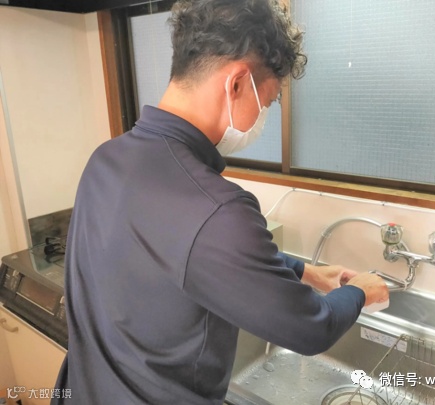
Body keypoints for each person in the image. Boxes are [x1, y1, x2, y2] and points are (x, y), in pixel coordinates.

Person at [52, 0, 389, 403]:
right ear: (237, 84)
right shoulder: (218, 208)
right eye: (268, 102)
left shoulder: (106, 159)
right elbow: (310, 328)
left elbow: (187, 253)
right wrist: (360, 292)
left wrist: (306, 271)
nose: (263, 116)